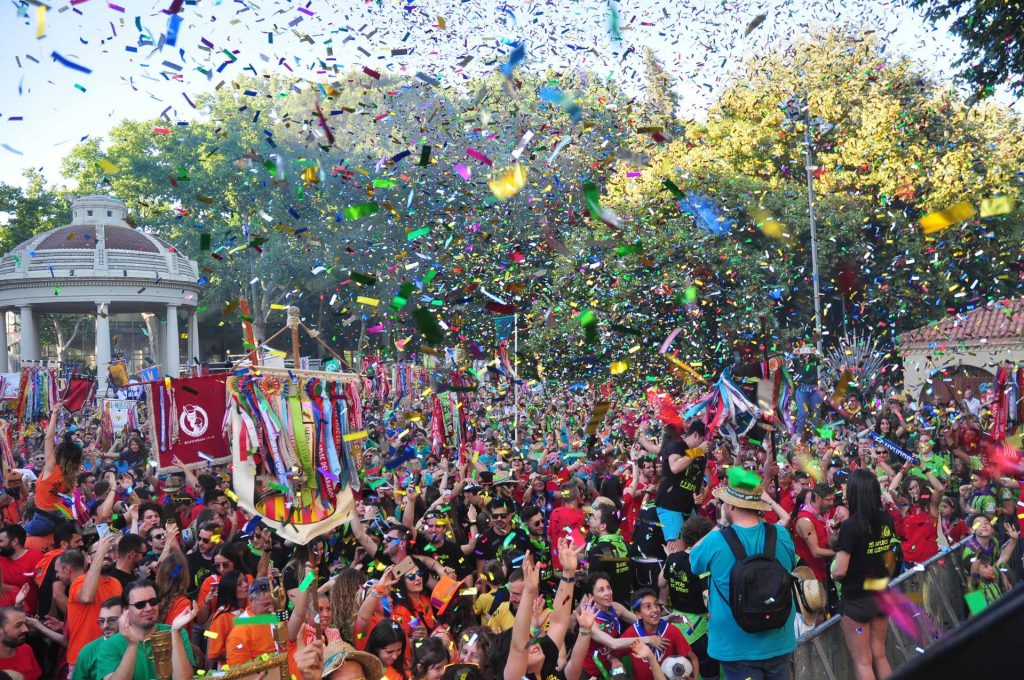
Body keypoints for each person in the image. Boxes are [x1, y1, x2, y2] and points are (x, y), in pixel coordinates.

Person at [690, 469, 797, 680]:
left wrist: (720, 524)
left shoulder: (716, 541)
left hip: (734, 645)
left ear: (729, 506)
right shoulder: (781, 534)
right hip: (779, 639)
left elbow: (694, 561)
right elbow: (790, 564)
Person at [831, 469, 898, 680]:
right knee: (879, 655)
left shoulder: (851, 526)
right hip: (881, 596)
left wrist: (833, 573)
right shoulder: (887, 519)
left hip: (857, 602)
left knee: (863, 661)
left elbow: (840, 571)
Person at [93, 580, 196, 680]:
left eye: (153, 602)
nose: (148, 608)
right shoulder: (110, 645)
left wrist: (175, 632)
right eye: (140, 605)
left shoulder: (176, 633)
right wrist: (132, 645)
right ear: (126, 610)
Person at [659, 515, 715, 680]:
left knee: (681, 669)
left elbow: (661, 583)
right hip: (700, 628)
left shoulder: (674, 558)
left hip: (678, 624)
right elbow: (708, 598)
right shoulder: (703, 561)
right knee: (708, 671)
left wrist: (669, 558)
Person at [25, 403, 82, 549]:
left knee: (13, 536)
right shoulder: (71, 474)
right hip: (60, 517)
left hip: (43, 519)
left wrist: (55, 414)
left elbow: (48, 438)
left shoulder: (51, 468)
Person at [65, 535, 122, 672]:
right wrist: (100, 554)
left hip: (109, 655)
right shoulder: (79, 581)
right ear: (89, 559)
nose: (106, 554)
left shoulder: (116, 583)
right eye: (100, 551)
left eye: (109, 551)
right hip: (82, 658)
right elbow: (86, 597)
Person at [618, 588, 699, 680]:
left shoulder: (671, 630)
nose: (655, 610)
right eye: (648, 607)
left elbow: (693, 658)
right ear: (638, 614)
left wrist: (695, 678)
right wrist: (616, 664)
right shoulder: (631, 632)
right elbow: (614, 655)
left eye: (656, 605)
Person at [654, 421, 707, 541]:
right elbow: (675, 467)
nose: (706, 444)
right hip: (670, 505)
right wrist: (698, 451)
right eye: (703, 439)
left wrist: (700, 495)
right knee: (678, 546)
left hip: (689, 507)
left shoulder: (702, 453)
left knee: (696, 544)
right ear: (696, 435)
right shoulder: (676, 445)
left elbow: (700, 479)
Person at [586, 503, 631, 604]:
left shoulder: (598, 551)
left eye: (594, 518)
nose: (590, 521)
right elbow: (612, 569)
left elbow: (593, 587)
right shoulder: (624, 544)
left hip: (606, 608)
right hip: (625, 604)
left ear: (602, 526)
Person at [70, 596, 124, 680]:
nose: (106, 625)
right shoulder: (88, 651)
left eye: (112, 620)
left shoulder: (138, 643)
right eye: (102, 621)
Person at [0, 527, 43, 616]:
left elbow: (43, 589)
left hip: (28, 615)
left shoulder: (35, 557)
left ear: (15, 542)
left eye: (1, 541)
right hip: (4, 616)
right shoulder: (1, 558)